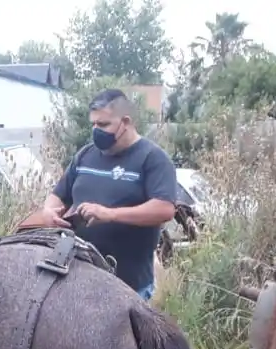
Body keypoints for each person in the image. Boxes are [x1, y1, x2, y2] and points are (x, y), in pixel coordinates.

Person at [23, 88, 178, 300]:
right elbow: (58, 194)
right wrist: (49, 211)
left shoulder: (153, 158)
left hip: (128, 285)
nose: (96, 130)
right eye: (93, 124)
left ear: (125, 122)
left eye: (103, 124)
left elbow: (164, 209)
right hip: (77, 276)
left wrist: (110, 214)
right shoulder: (85, 155)